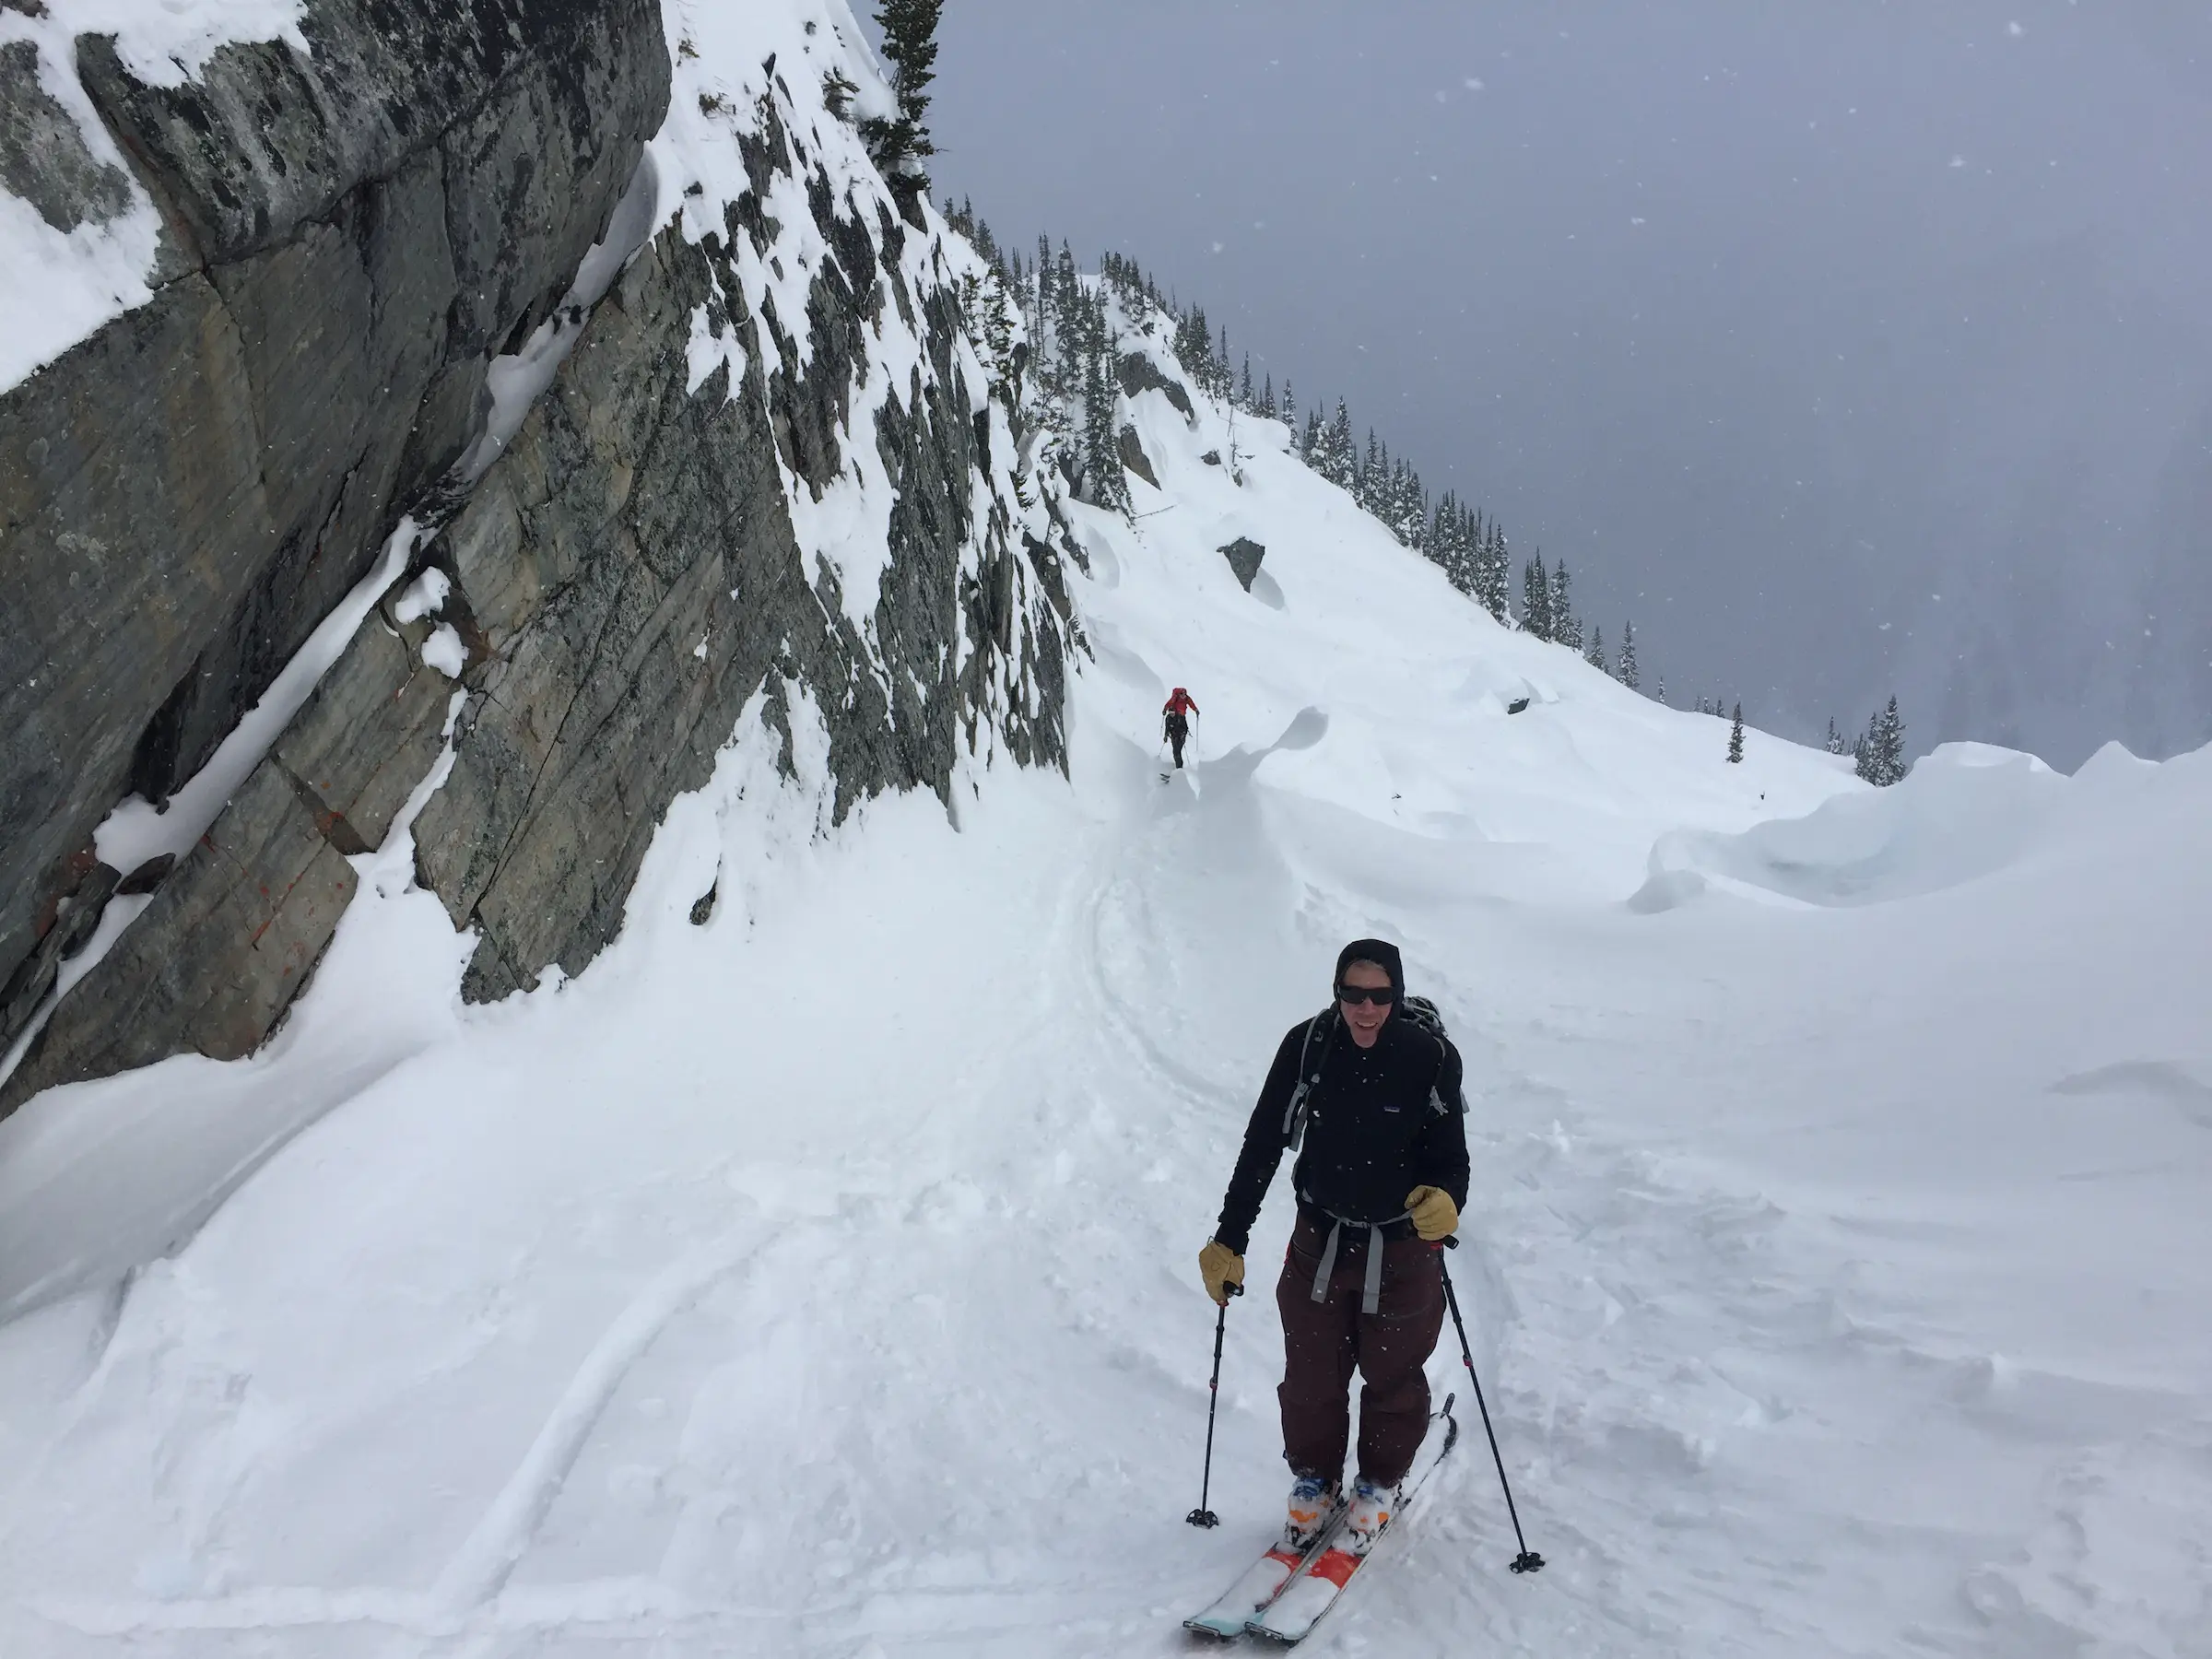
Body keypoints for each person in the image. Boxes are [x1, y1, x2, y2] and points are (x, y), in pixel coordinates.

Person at [1196, 938, 1468, 1556]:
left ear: (1396, 995)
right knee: (1312, 1371)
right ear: (1337, 991)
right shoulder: (1309, 1046)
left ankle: (1380, 1484)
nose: (1365, 1008)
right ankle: (1315, 1479)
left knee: (1393, 1374)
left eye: (1380, 996)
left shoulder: (1430, 1057)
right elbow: (1264, 1140)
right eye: (1353, 994)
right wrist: (1230, 1236)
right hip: (1319, 1236)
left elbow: (1452, 1158)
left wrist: (1449, 1199)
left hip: (1401, 1249)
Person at [1161, 687, 1200, 768]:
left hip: (1180, 726)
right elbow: (1169, 703)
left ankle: (1179, 768)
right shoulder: (1175, 699)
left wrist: (1195, 710)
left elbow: (1191, 704)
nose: (1183, 696)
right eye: (1182, 695)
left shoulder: (1187, 699)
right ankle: (1179, 768)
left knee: (1176, 751)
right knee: (1176, 751)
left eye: (1184, 695)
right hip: (1175, 730)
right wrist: (1165, 709)